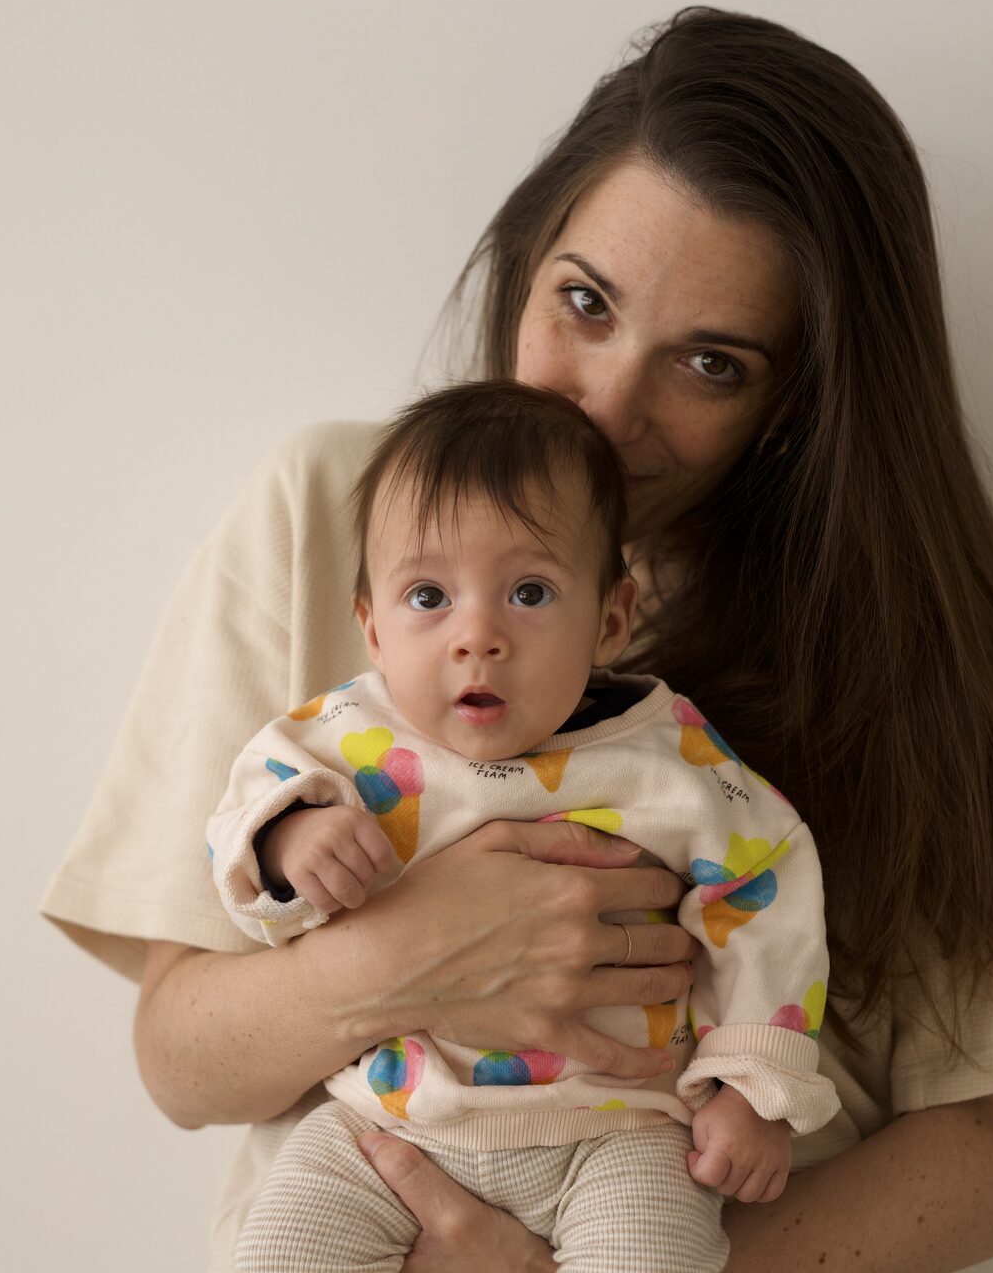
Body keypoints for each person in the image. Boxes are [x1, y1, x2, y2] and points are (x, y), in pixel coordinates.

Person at [40, 8, 993, 1271]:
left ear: (802, 398)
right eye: (583, 302)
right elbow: (183, 1059)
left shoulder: (904, 643)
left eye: (711, 363)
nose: (606, 404)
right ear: (524, 258)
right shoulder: (338, 515)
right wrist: (418, 951)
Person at [212, 383, 837, 1272]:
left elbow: (767, 887)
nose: (478, 636)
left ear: (611, 618)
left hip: (617, 1130)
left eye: (531, 592)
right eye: (428, 595)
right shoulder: (344, 739)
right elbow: (240, 821)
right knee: (280, 1251)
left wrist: (751, 1086)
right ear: (373, 630)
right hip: (388, 1122)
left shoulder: (669, 757)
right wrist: (288, 842)